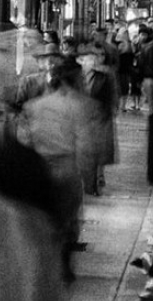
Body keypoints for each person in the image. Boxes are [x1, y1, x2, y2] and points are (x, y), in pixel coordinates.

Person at [17, 59, 97, 280]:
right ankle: (62, 264)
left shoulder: (34, 106)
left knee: (42, 217)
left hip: (40, 169)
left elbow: (24, 139)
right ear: (73, 80)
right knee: (67, 218)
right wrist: (87, 172)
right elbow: (85, 143)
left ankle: (41, 263)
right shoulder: (80, 106)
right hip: (66, 167)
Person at [77, 43, 119, 194]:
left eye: (98, 56)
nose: (95, 60)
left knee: (97, 151)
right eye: (91, 57)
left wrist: (112, 110)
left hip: (100, 117)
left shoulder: (106, 75)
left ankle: (95, 181)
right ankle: (88, 181)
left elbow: (112, 96)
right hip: (81, 118)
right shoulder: (77, 76)